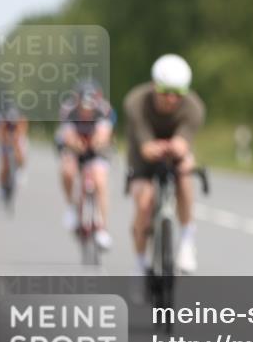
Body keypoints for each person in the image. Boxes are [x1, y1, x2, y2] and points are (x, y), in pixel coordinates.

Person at [124, 54, 204, 275]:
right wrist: (153, 148)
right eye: (165, 92)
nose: (171, 99)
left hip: (174, 153)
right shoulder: (136, 102)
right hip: (142, 156)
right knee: (144, 203)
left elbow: (183, 141)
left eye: (177, 93)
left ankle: (187, 239)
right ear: (153, 86)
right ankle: (140, 265)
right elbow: (145, 147)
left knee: (185, 175)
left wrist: (178, 148)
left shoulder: (194, 107)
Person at [55, 80, 115, 249]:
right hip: (74, 146)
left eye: (91, 105)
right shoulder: (68, 110)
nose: (87, 109)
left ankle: (102, 227)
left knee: (100, 181)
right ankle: (70, 207)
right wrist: (76, 145)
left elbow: (104, 134)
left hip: (97, 148)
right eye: (84, 105)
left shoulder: (104, 110)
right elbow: (67, 135)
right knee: (67, 170)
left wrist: (96, 143)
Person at [0, 105, 28, 197]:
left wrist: (15, 140)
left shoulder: (22, 121)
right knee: (4, 164)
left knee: (22, 151)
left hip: (18, 140)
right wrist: (6, 142)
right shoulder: (3, 122)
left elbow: (22, 134)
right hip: (6, 141)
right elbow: (1, 136)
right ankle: (0, 187)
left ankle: (22, 170)